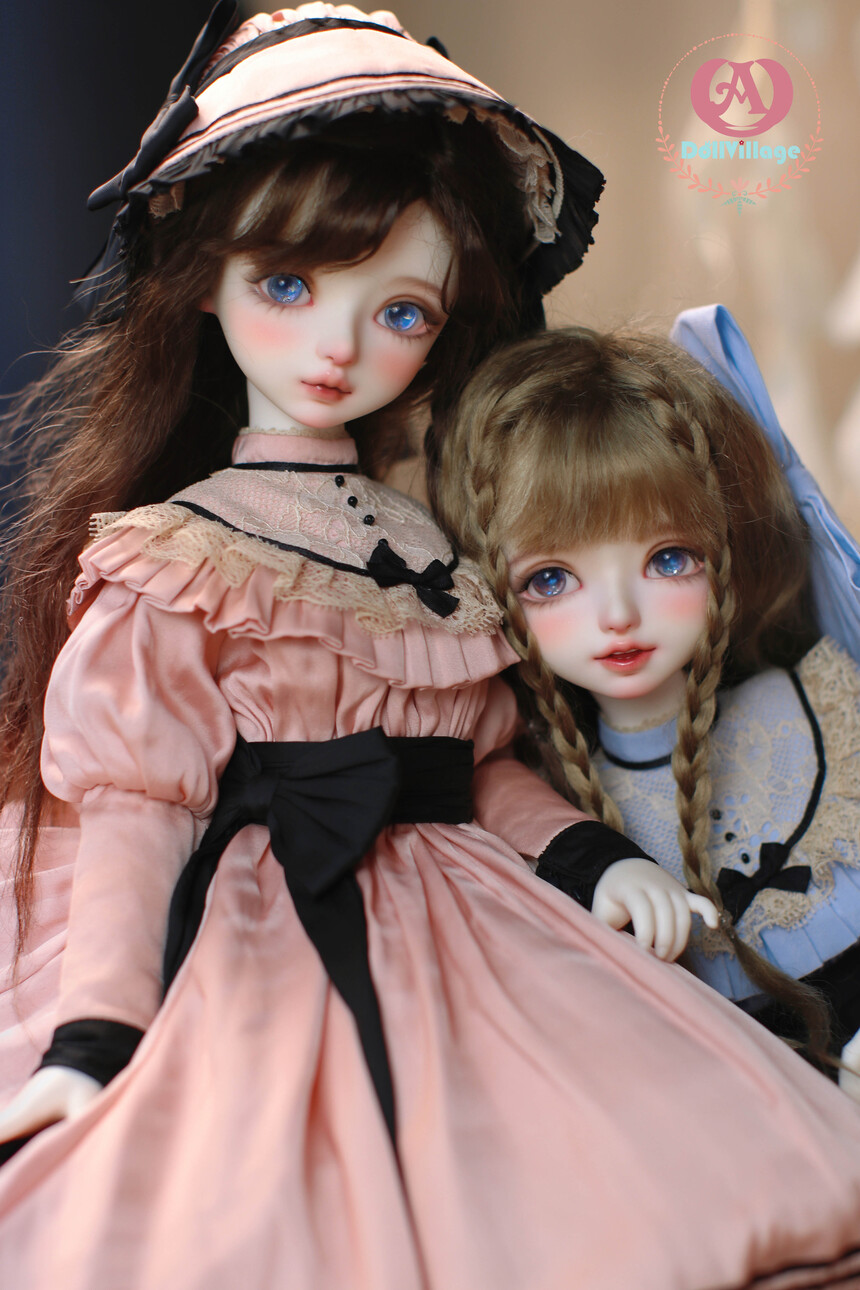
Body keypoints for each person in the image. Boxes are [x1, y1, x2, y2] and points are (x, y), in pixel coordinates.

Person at [2, 8, 860, 1288]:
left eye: (398, 311)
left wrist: (588, 858)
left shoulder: (425, 547)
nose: (337, 347)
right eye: (286, 286)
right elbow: (137, 812)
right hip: (251, 918)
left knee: (595, 1159)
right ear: (203, 281)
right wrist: (93, 1039)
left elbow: (479, 762)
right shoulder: (175, 554)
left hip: (471, 902)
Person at [436, 320, 860, 1078]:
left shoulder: (820, 712)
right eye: (551, 579)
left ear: (726, 549)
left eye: (668, 558)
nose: (618, 615)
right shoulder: (547, 805)